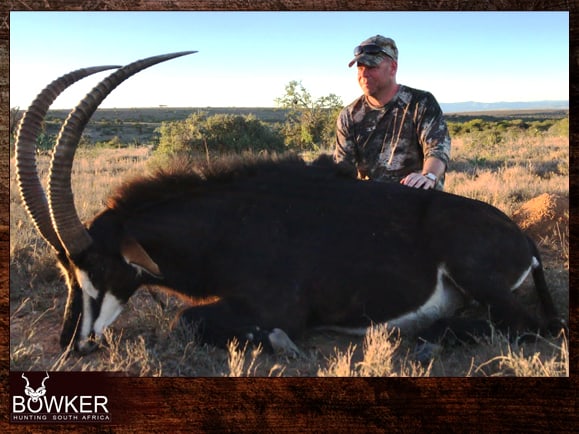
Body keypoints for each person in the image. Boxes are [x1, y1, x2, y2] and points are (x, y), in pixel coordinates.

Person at [334, 35, 451, 190]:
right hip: (374, 202)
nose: (364, 74)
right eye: (360, 68)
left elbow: (438, 150)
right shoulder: (349, 116)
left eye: (371, 67)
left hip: (418, 197)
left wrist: (428, 176)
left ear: (393, 68)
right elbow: (343, 169)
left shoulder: (421, 103)